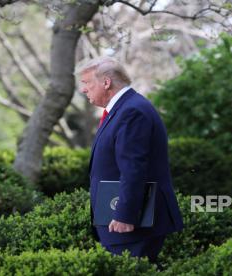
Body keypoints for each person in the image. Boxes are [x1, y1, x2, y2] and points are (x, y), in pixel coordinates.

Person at [77, 57, 184, 262]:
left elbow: (133, 169)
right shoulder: (124, 109)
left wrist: (125, 215)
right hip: (123, 221)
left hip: (130, 224)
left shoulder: (131, 111)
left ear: (106, 83)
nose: (84, 90)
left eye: (87, 83)